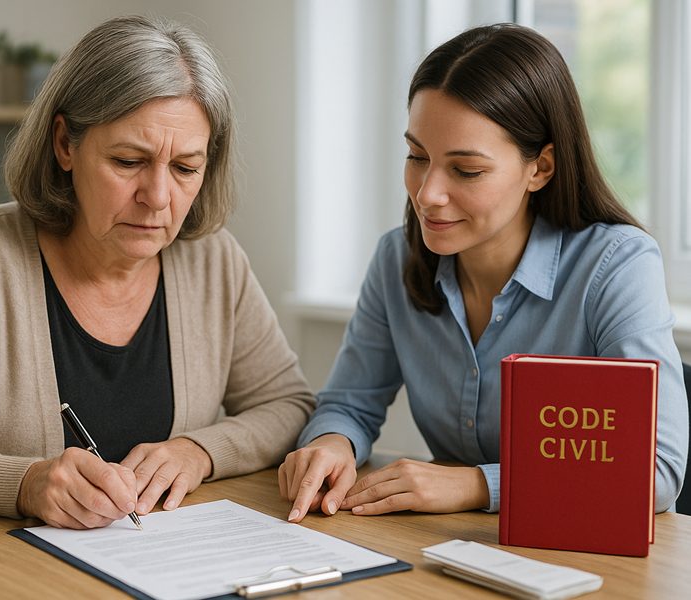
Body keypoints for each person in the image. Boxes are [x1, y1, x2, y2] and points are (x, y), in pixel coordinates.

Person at [0, 15, 315, 529]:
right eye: (127, 161)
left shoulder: (214, 261)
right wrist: (24, 484)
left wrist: (199, 451)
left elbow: (288, 405)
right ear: (65, 145)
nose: (158, 198)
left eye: (185, 168)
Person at [279, 23, 688, 521]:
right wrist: (333, 443)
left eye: (466, 170)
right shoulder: (397, 258)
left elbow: (657, 472)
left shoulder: (616, 266)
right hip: (449, 551)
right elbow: (350, 403)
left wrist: (477, 484)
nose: (427, 193)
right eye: (416, 156)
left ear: (540, 168)